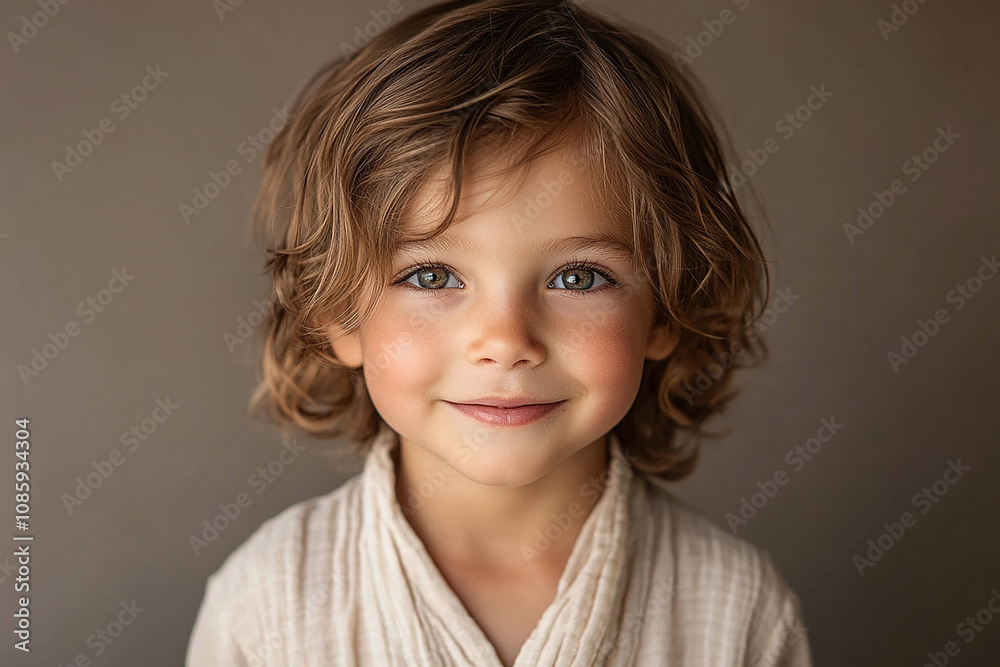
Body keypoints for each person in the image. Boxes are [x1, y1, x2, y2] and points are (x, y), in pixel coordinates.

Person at [186, 0, 813, 664]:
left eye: (578, 278)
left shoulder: (736, 609)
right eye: (431, 276)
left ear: (664, 308)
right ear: (339, 313)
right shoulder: (267, 604)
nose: (507, 338)